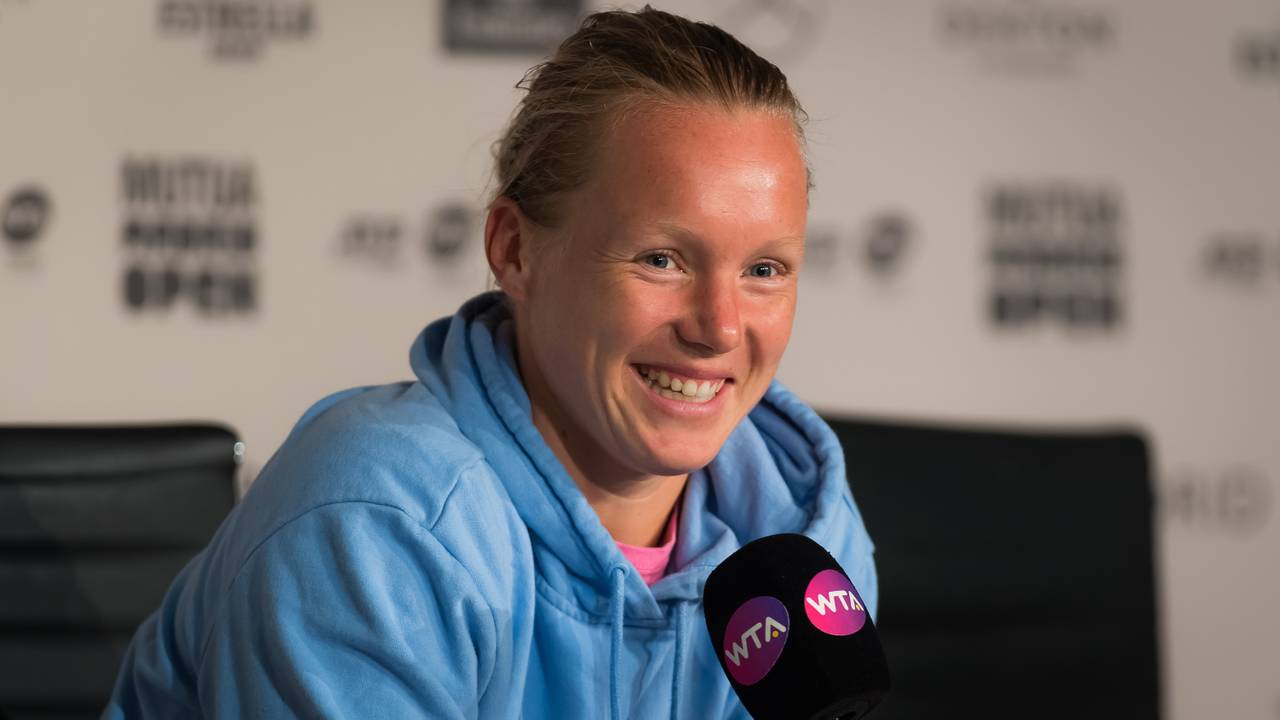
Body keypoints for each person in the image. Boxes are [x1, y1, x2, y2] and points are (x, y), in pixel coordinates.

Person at [105, 6, 877, 719]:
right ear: (514, 250)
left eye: (765, 270)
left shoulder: (806, 541)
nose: (719, 326)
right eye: (662, 259)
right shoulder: (377, 525)